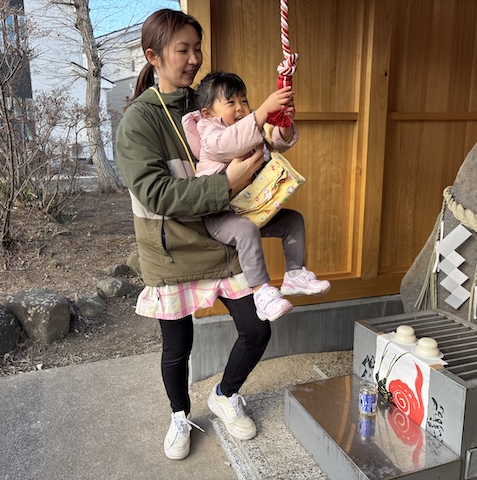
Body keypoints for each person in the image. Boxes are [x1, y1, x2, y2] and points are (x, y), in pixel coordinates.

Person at [115, 9, 279, 461]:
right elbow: (156, 194)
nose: (194, 59)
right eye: (182, 50)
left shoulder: (206, 101)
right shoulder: (138, 121)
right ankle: (179, 415)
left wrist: (274, 124)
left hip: (221, 238)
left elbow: (246, 137)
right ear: (153, 56)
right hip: (171, 250)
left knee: (256, 329)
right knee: (178, 346)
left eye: (197, 49)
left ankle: (225, 394)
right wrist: (227, 183)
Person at [182, 71, 331, 322]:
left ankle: (295, 274)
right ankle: (261, 292)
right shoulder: (210, 134)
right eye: (231, 102)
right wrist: (262, 112)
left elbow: (276, 142)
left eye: (244, 100)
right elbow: (231, 143)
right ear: (207, 113)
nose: (240, 108)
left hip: (249, 207)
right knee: (246, 230)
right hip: (220, 215)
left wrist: (283, 123)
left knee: (293, 220)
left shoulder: (247, 128)